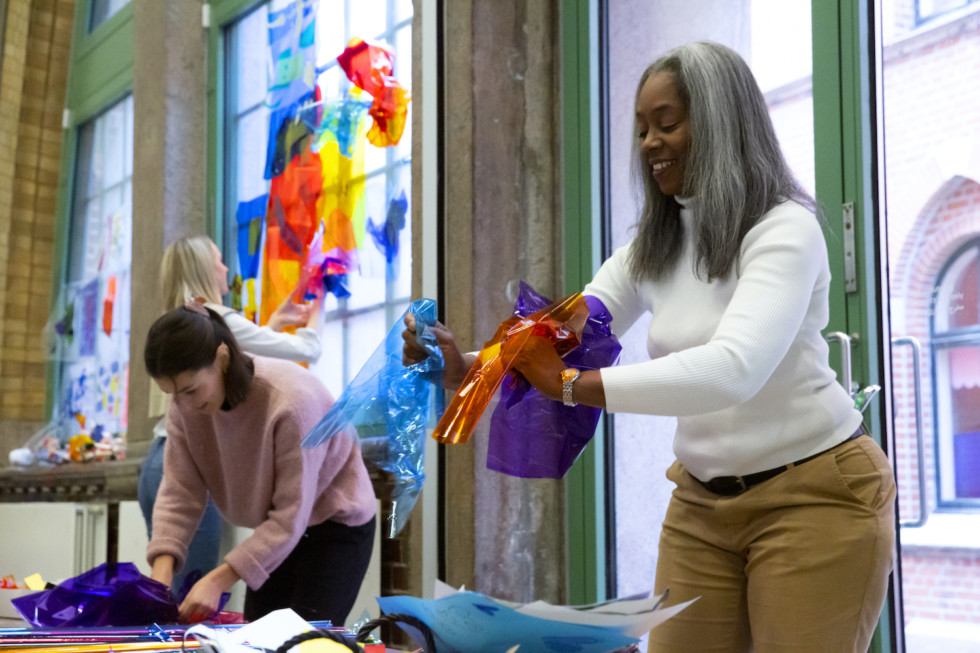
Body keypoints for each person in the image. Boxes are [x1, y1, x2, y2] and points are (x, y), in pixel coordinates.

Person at [403, 41, 896, 652]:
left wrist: (566, 385)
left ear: (720, 124)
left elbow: (730, 372)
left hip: (816, 495)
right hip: (702, 502)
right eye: (641, 130)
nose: (648, 145)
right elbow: (563, 329)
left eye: (667, 125)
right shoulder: (654, 247)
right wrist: (468, 369)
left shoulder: (783, 229)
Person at [144, 302, 377, 624]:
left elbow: (290, 517)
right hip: (276, 525)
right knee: (257, 638)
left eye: (190, 390)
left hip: (334, 523)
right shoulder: (185, 407)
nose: (185, 404)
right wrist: (161, 569)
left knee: (303, 641)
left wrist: (217, 579)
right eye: (173, 394)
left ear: (222, 357)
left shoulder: (291, 402)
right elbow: (180, 491)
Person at [138, 235, 323, 598]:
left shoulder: (173, 327)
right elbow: (305, 349)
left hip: (154, 459)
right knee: (193, 589)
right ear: (205, 270)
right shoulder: (213, 322)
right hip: (179, 454)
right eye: (219, 260)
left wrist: (271, 323)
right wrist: (319, 307)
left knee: (182, 591)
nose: (225, 268)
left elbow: (244, 369)